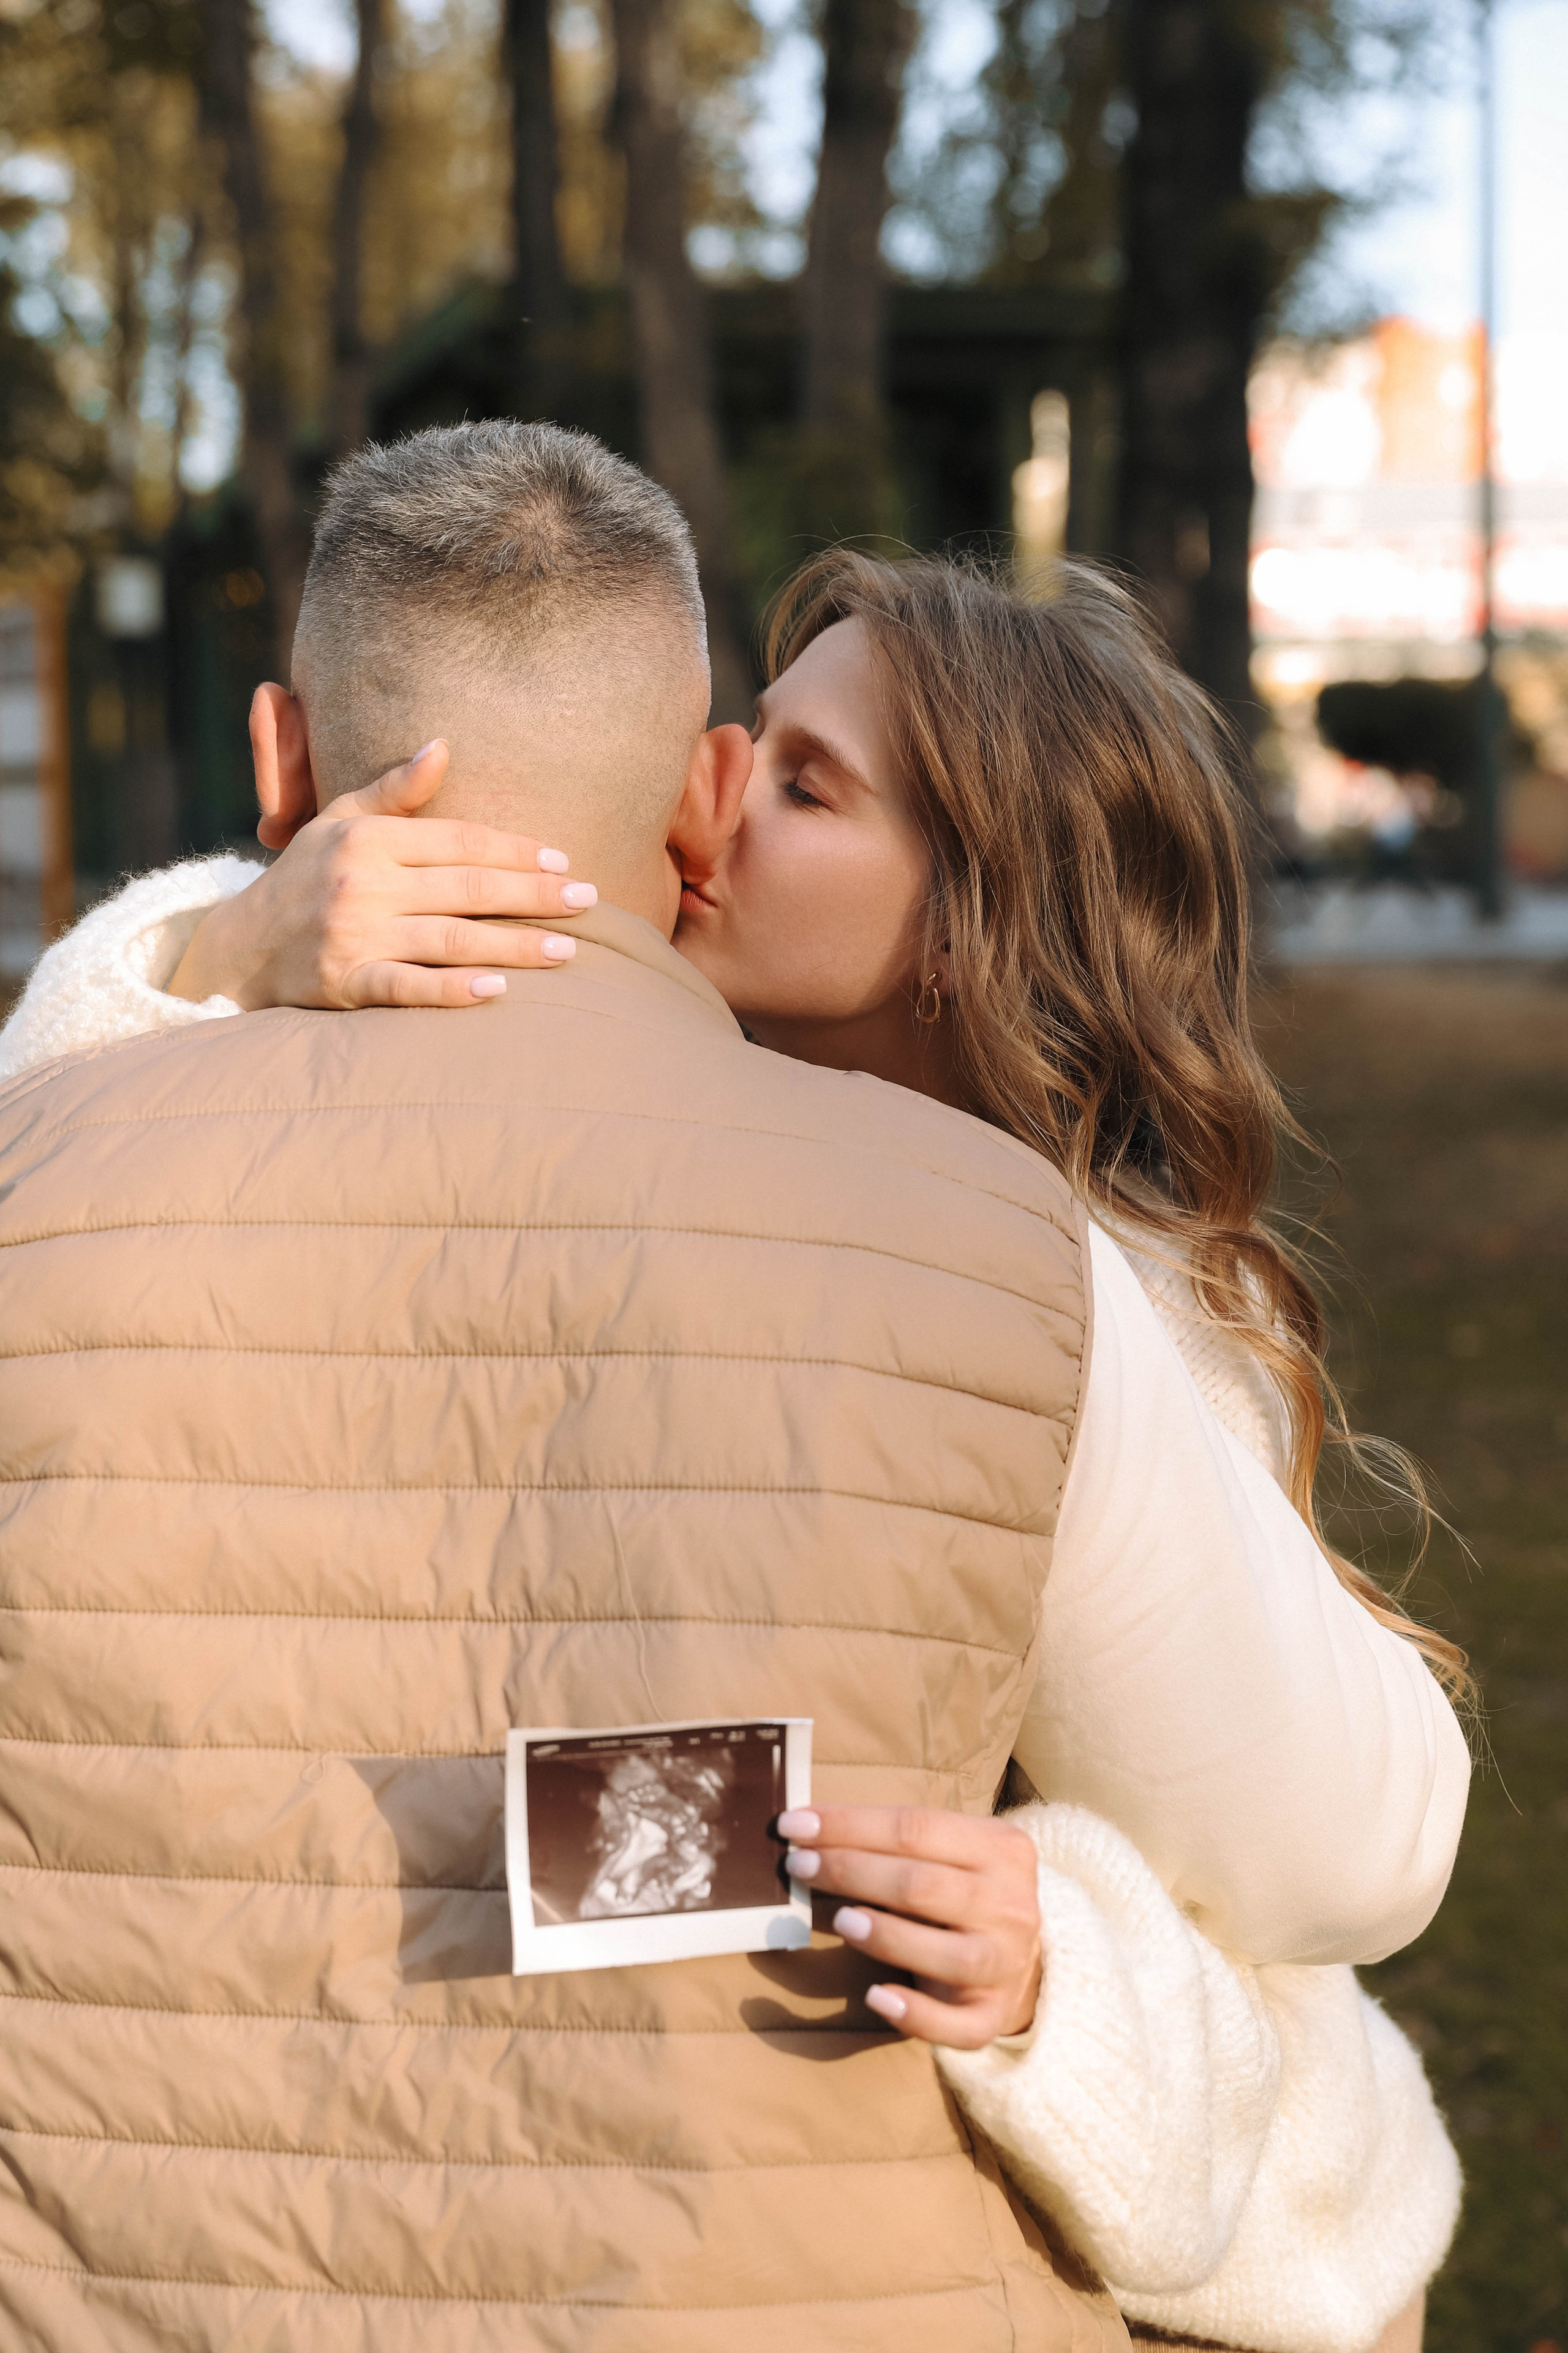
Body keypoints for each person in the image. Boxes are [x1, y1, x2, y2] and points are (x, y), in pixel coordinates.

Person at [0, 426, 1467, 2352]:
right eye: (749, 755)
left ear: (279, 759)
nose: (728, 827)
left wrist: (1061, 1940)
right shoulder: (983, 1271)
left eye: (814, 783)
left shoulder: (1047, 1269)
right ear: (685, 779)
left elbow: (527, 1828)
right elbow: (543, 1830)